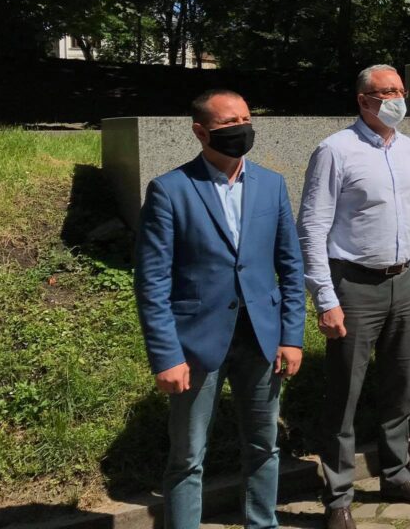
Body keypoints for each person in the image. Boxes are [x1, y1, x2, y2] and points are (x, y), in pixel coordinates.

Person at [134, 89, 306, 529]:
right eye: (229, 123)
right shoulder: (170, 190)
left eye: (246, 119)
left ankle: (262, 524)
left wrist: (292, 335)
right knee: (188, 456)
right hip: (196, 344)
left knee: (264, 446)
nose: (241, 129)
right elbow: (152, 281)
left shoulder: (271, 184)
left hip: (261, 338)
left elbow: (290, 264)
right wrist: (166, 356)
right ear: (200, 132)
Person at [297, 64, 410, 529]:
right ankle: (338, 494)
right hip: (354, 284)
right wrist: (325, 298)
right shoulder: (335, 151)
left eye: (401, 90)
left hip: (404, 279)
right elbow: (312, 228)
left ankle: (396, 474)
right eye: (386, 92)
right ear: (363, 101)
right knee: (346, 392)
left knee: (400, 384)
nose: (397, 100)